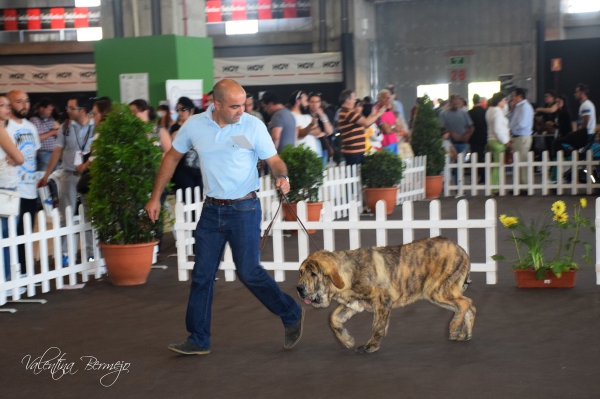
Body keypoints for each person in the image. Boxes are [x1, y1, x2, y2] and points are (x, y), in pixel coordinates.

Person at [144, 79, 303, 355]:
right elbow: (170, 158)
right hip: (211, 210)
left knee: (249, 272)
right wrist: (155, 197)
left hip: (245, 209)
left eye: (244, 104)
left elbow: (275, 160)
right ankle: (198, 338)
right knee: (202, 275)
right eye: (235, 106)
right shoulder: (194, 125)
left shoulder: (253, 125)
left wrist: (282, 176)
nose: (242, 110)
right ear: (216, 105)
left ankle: (291, 313)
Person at [38, 94, 95, 266]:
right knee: (66, 215)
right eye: (67, 108)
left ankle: (91, 254)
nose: (67, 111)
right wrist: (47, 175)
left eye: (72, 108)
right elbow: (57, 151)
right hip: (69, 175)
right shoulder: (65, 127)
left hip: (89, 176)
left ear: (82, 110)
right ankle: (65, 253)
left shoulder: (97, 126)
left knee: (90, 216)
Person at [6, 90, 41, 271]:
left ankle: (26, 271)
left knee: (27, 232)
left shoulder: (31, 127)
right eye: (19, 101)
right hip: (13, 190)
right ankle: (14, 272)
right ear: (9, 105)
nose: (24, 105)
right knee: (13, 233)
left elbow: (33, 153)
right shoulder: (6, 128)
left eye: (26, 101)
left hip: (30, 189)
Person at [0, 94, 25, 284]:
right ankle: (7, 279)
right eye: (2, 105)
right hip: (5, 188)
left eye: (8, 105)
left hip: (5, 187)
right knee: (7, 237)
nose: (7, 109)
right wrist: (15, 158)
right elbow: (20, 158)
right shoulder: (1, 131)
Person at [337, 89, 386, 166]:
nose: (354, 101)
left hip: (355, 151)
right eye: (353, 98)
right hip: (353, 152)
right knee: (355, 176)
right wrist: (378, 114)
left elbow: (366, 124)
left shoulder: (346, 112)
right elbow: (366, 123)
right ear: (347, 100)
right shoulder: (348, 113)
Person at [169, 97, 203, 196]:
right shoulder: (175, 127)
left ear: (191, 110)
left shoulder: (199, 125)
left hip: (199, 169)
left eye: (183, 109)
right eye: (178, 109)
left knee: (200, 200)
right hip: (182, 170)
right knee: (186, 200)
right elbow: (177, 141)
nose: (180, 112)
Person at [508, 87, 534, 186]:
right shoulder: (518, 107)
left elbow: (522, 124)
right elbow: (511, 119)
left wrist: (512, 129)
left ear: (519, 96)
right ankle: (519, 184)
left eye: (513, 95)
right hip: (517, 136)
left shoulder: (525, 107)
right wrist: (511, 109)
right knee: (518, 161)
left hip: (522, 136)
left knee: (523, 161)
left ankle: (524, 185)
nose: (512, 97)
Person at [486, 92, 511, 195]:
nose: (506, 102)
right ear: (500, 101)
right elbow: (497, 129)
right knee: (498, 165)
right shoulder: (498, 112)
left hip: (491, 140)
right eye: (504, 100)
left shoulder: (490, 110)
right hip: (498, 141)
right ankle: (495, 188)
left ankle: (495, 187)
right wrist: (506, 141)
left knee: (496, 164)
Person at [288, 90, 323, 158]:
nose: (308, 103)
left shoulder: (307, 116)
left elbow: (318, 131)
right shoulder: (291, 116)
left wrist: (306, 130)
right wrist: (311, 126)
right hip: (302, 156)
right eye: (306, 100)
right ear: (298, 101)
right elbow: (301, 134)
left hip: (314, 154)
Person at [29, 97, 60, 172]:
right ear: (42, 108)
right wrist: (52, 132)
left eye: (51, 110)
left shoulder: (51, 119)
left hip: (55, 153)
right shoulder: (34, 120)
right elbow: (37, 138)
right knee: (43, 176)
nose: (51, 112)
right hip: (44, 153)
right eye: (49, 110)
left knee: (57, 176)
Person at [307, 92, 334, 165]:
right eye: (312, 102)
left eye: (317, 102)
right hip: (308, 148)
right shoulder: (305, 114)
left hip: (322, 148)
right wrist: (321, 133)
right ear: (308, 103)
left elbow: (329, 131)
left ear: (320, 103)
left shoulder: (326, 113)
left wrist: (322, 115)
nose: (314, 104)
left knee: (321, 172)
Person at [468, 94, 488, 183]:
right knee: (485, 157)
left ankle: (480, 176)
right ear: (480, 101)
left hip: (474, 139)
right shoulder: (485, 111)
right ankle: (486, 176)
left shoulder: (470, 113)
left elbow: (468, 127)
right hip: (485, 137)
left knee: (476, 158)